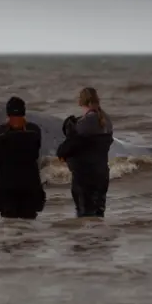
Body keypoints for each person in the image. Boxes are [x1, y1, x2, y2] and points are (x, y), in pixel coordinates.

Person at [56, 87, 113, 218]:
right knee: (98, 216)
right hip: (102, 176)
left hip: (84, 179)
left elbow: (64, 150)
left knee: (85, 219)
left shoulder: (83, 124)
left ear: (81, 102)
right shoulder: (107, 121)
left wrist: (70, 132)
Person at [0, 96, 46, 219]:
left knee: (10, 229)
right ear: (24, 112)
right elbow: (36, 153)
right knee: (29, 227)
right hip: (30, 187)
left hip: (7, 188)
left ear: (8, 114)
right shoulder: (35, 131)